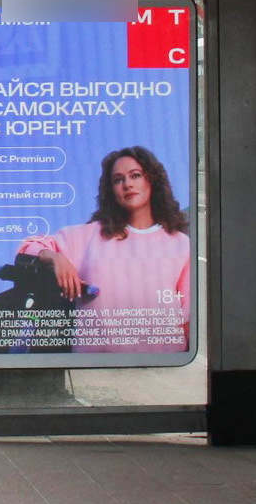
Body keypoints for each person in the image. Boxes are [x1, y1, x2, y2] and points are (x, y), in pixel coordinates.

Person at [15, 145, 192, 355]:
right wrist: (54, 258)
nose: (127, 184)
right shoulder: (89, 235)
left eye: (135, 175)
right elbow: (28, 247)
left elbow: (188, 318)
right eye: (118, 179)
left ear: (151, 180)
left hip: (159, 371)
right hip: (95, 370)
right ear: (111, 190)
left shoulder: (180, 243)